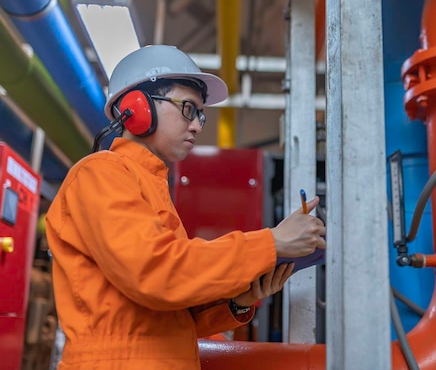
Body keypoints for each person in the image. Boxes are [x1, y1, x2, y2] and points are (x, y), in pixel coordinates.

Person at [45, 45, 326, 370]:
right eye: (188, 109)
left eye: (201, 115)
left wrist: (237, 300)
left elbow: (167, 319)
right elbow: (156, 273)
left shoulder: (151, 185)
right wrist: (270, 243)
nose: (197, 126)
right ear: (137, 108)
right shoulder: (100, 174)